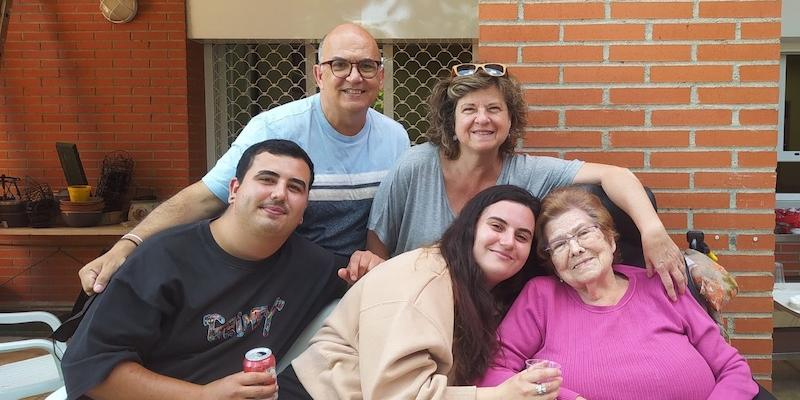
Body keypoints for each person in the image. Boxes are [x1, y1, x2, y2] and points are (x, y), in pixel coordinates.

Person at [78, 22, 410, 295]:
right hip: (280, 287)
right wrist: (128, 243)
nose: (354, 77)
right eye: (339, 65)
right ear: (319, 75)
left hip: (358, 286)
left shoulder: (395, 138)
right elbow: (206, 197)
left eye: (367, 66)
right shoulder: (274, 129)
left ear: (380, 78)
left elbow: (392, 221)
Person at [367, 62, 687, 301]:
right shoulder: (415, 165)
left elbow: (616, 175)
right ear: (451, 121)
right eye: (469, 110)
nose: (483, 119)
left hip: (493, 313)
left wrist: (653, 232)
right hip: (415, 304)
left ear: (510, 120)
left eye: (494, 109)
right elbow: (377, 250)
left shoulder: (527, 171)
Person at [61, 140, 348, 400]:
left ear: (303, 211)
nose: (279, 193)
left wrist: (367, 263)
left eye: (295, 187)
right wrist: (202, 395)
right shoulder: (161, 259)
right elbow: (90, 370)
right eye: (267, 179)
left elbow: (369, 281)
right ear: (234, 190)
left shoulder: (312, 265)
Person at [279, 185, 562, 399]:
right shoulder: (422, 279)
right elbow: (396, 395)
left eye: (522, 236)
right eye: (497, 226)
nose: (508, 241)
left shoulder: (485, 291)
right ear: (469, 228)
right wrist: (499, 395)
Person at [477, 186, 758, 400]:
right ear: (552, 262)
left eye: (584, 233)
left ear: (610, 239)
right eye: (560, 244)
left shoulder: (661, 284)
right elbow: (493, 372)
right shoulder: (541, 297)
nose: (575, 248)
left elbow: (732, 367)